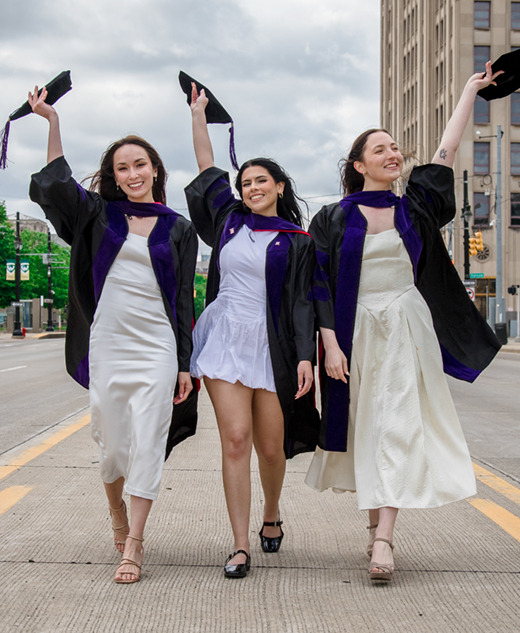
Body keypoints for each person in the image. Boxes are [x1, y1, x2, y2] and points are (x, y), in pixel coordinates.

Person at [305, 62, 502, 583]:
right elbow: (319, 281)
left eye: (396, 148)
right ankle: (375, 531)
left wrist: (468, 92)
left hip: (405, 326)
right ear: (358, 164)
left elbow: (447, 151)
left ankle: (385, 538)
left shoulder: (413, 206)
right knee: (365, 427)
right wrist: (329, 341)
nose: (394, 155)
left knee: (395, 423)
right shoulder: (331, 218)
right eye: (381, 150)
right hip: (351, 332)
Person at [28, 86, 198, 584]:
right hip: (109, 341)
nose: (132, 174)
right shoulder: (99, 216)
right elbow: (58, 186)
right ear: (113, 176)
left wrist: (185, 363)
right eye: (122, 168)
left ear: (155, 170)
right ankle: (116, 515)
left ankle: (136, 543)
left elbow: (185, 300)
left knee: (148, 439)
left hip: (158, 344)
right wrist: (52, 120)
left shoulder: (179, 229)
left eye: (140, 165)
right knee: (112, 442)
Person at [185, 84, 319, 578]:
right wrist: (199, 114)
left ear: (279, 187)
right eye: (245, 183)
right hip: (225, 336)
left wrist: (305, 355)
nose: (251, 188)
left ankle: (271, 512)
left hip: (274, 345)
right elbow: (205, 168)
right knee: (236, 439)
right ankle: (239, 544)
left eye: (261, 181)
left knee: (270, 447)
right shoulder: (227, 222)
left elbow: (304, 300)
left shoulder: (298, 241)